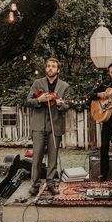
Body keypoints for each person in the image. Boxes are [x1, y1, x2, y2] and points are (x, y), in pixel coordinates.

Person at [26, 58, 71, 196]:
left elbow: (67, 105)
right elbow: (28, 101)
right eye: (48, 66)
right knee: (37, 156)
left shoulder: (65, 86)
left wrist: (59, 104)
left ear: (58, 70)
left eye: (53, 66)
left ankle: (51, 183)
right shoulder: (37, 83)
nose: (50, 68)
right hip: (38, 125)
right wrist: (39, 100)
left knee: (53, 156)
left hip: (55, 125)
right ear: (46, 69)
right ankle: (35, 184)